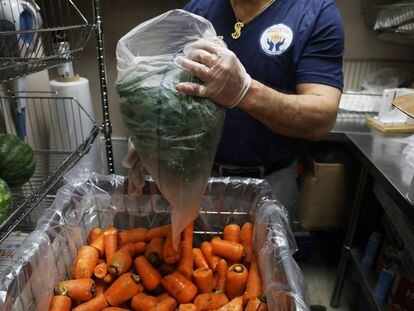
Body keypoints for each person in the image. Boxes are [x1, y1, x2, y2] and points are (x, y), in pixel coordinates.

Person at [123, 0, 344, 221]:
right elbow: (168, 86)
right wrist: (148, 138)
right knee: (189, 253)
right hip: (197, 179)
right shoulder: (198, 9)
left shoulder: (314, 13)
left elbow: (322, 119)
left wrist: (244, 91)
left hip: (271, 183)